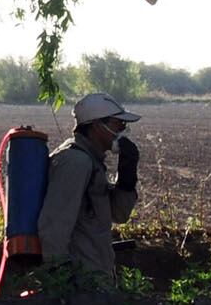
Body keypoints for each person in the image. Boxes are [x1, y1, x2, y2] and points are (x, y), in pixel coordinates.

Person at [37, 91, 140, 287]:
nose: (123, 130)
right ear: (96, 126)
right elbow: (53, 227)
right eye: (118, 124)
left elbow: (119, 215)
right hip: (82, 287)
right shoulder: (76, 162)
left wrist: (127, 177)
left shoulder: (91, 161)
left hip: (95, 281)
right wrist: (63, 281)